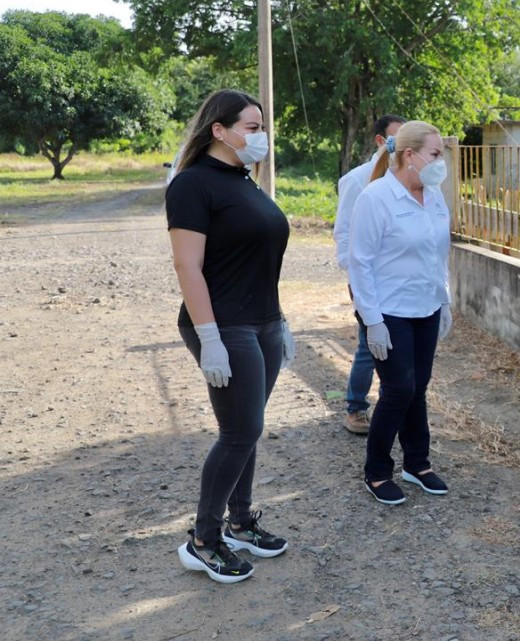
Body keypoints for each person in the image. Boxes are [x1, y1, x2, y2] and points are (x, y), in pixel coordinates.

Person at [167, 89, 294, 583]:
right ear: (219, 130)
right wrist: (209, 337)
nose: (259, 136)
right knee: (239, 432)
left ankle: (240, 522)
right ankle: (203, 540)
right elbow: (187, 265)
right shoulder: (192, 185)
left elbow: (259, 260)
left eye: (261, 127)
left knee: (251, 426)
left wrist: (281, 320)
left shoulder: (246, 179)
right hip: (223, 324)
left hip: (262, 320)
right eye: (252, 127)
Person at [348, 120, 452, 505]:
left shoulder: (434, 195)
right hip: (388, 309)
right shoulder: (376, 198)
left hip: (425, 306)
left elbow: (440, 252)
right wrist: (372, 320)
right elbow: (360, 263)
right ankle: (376, 471)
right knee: (398, 390)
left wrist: (445, 301)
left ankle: (417, 463)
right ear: (410, 155)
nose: (441, 162)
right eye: (436, 154)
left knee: (419, 387)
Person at [333, 114, 407, 434]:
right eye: (397, 140)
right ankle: (356, 407)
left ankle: (394, 403)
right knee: (368, 342)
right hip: (369, 277)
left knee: (399, 343)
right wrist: (356, 279)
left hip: (399, 277)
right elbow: (345, 232)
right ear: (381, 141)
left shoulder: (405, 178)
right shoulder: (357, 179)